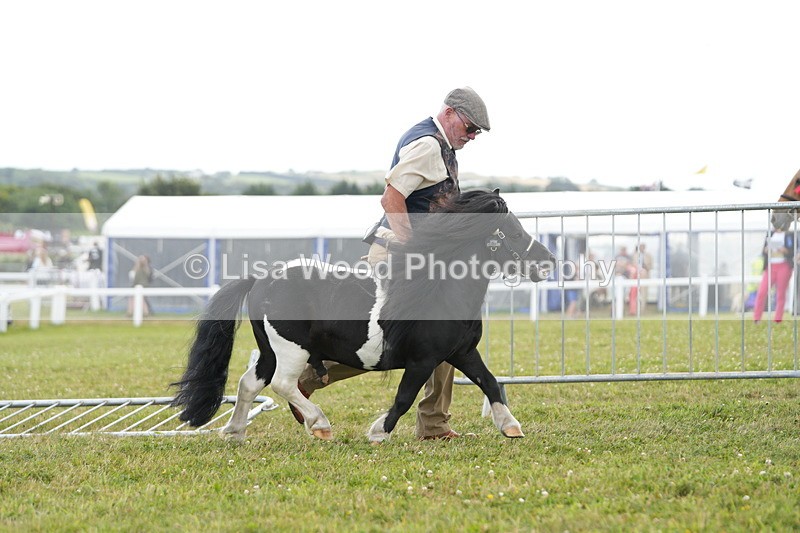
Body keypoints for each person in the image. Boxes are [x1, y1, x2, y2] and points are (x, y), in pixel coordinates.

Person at [293, 87, 491, 440]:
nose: (473, 135)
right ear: (449, 113)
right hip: (399, 256)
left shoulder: (440, 145)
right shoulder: (428, 145)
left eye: (477, 131)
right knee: (388, 341)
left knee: (443, 335)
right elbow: (392, 197)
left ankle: (433, 422)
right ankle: (310, 377)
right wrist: (412, 244)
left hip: (415, 260)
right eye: (470, 127)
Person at [753, 220, 795, 323]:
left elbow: (792, 250)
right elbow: (763, 250)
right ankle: (757, 318)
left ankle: (778, 319)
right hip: (771, 266)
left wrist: (783, 250)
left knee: (780, 293)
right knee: (762, 292)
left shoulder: (789, 235)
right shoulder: (770, 234)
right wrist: (767, 250)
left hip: (784, 266)